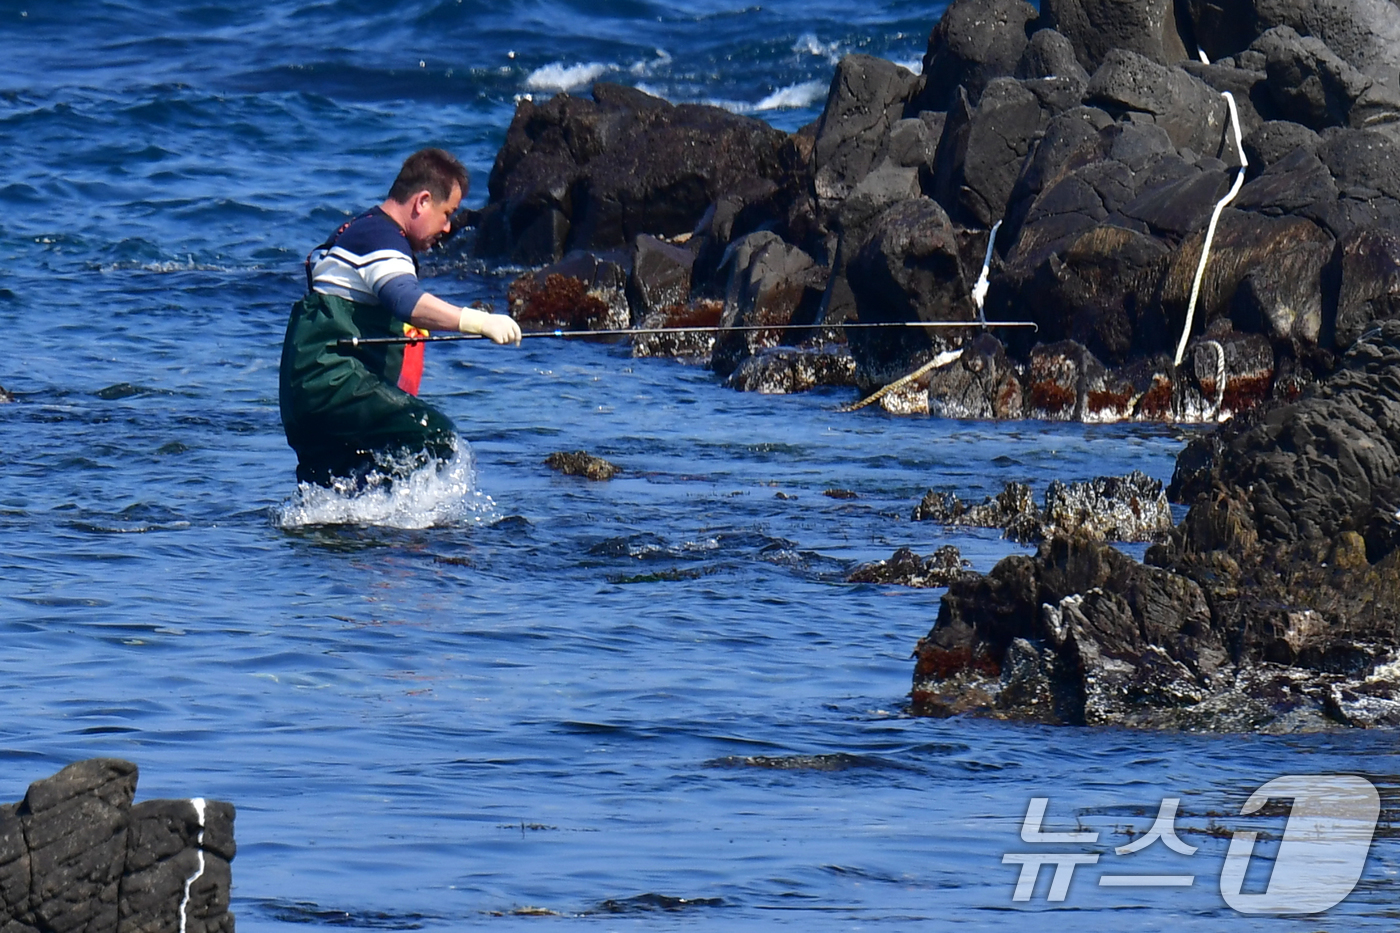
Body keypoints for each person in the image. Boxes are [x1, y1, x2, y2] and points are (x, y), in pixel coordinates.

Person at [279, 148, 521, 486]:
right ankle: (417, 530)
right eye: (447, 213)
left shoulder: (359, 229)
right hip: (332, 387)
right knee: (437, 440)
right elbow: (405, 300)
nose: (449, 227)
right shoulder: (382, 239)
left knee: (341, 496)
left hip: (306, 396)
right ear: (422, 201)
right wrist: (480, 322)